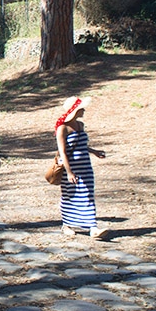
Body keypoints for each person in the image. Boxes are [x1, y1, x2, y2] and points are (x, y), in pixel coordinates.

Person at [55, 96, 109, 239]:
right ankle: (67, 224)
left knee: (88, 195)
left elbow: (82, 145)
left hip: (85, 167)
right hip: (71, 168)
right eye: (81, 109)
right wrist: (69, 172)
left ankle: (93, 227)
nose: (84, 110)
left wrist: (94, 152)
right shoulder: (63, 128)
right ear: (75, 110)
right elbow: (63, 152)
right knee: (70, 195)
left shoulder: (80, 125)